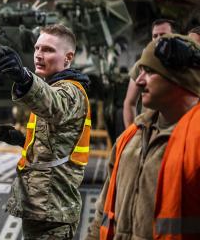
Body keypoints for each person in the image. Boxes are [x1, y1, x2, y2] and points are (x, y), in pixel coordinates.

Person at [85, 34, 200, 239]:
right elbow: (102, 214)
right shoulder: (131, 138)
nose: (138, 81)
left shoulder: (195, 143)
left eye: (149, 71)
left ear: (177, 80)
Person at [0, 24, 91, 239]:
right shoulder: (54, 87)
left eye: (48, 50)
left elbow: (53, 104)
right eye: (37, 48)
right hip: (42, 208)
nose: (38, 55)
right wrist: (22, 140)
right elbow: (56, 141)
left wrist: (24, 78)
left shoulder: (71, 91)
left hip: (54, 213)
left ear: (68, 57)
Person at [123, 19, 175, 128]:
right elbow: (129, 103)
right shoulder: (141, 64)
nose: (158, 39)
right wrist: (132, 134)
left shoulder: (181, 64)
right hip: (149, 131)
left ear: (174, 37)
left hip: (176, 129)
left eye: (163, 35)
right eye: (155, 36)